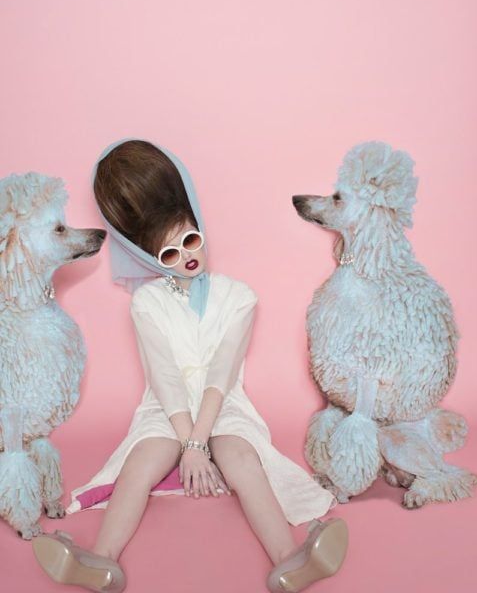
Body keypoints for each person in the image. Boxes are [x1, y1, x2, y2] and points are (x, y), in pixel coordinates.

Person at [32, 138, 348, 593]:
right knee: (141, 462)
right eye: (170, 254)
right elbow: (164, 378)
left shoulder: (239, 297)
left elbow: (221, 374)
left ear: (199, 227)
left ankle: (288, 560)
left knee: (241, 457)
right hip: (166, 409)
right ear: (151, 260)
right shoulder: (147, 303)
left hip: (224, 408)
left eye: (190, 240)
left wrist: (200, 444)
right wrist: (187, 443)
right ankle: (101, 562)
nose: (187, 257)